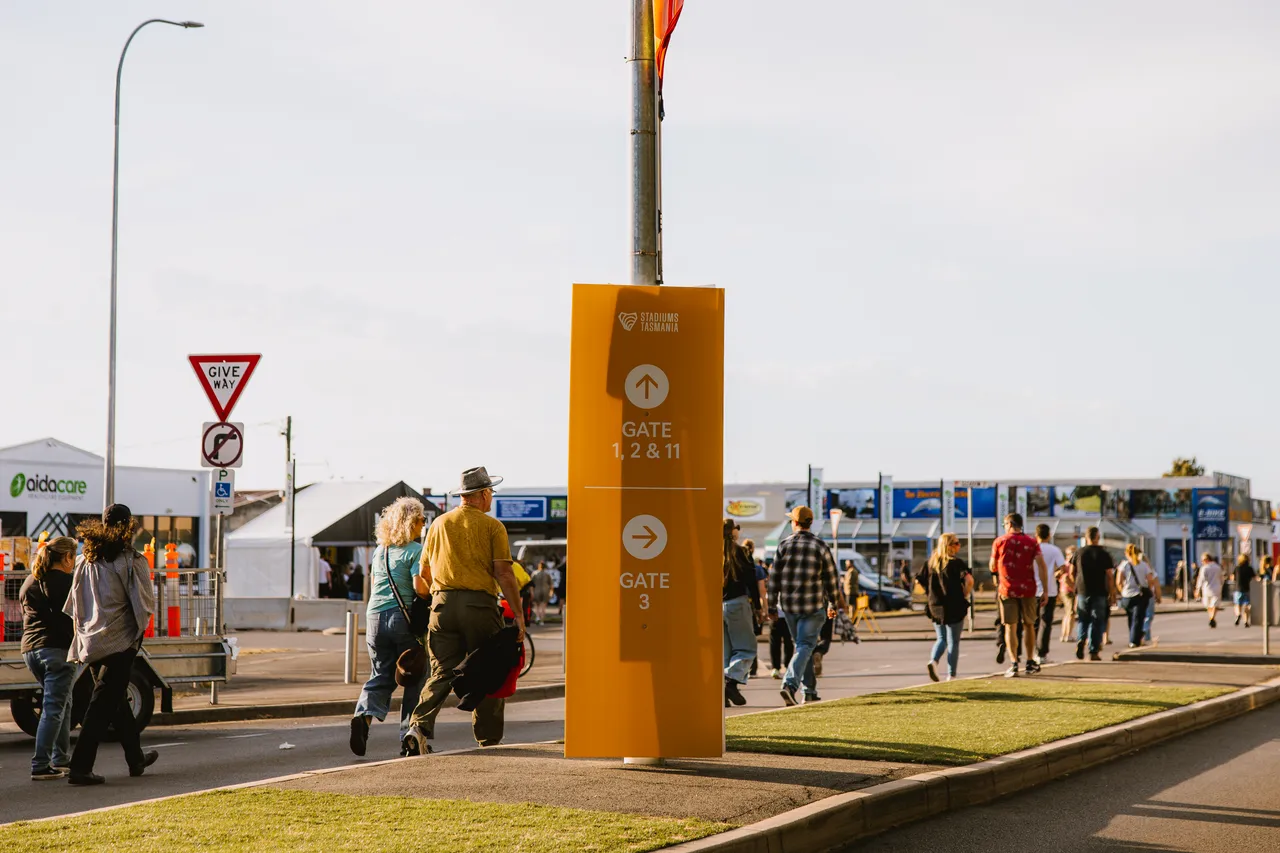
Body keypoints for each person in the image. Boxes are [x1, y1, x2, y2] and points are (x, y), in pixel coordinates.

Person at [403, 468, 525, 756]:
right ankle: (488, 739)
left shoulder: (438, 525)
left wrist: (444, 592)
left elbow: (423, 573)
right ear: (483, 494)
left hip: (441, 606)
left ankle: (418, 726)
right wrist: (518, 615)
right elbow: (504, 574)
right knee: (490, 667)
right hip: (479, 607)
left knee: (442, 671)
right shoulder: (492, 526)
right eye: (491, 493)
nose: (492, 497)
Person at [63, 505, 158, 785]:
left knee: (116, 701)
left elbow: (74, 605)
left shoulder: (85, 560)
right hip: (119, 641)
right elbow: (143, 606)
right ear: (129, 526)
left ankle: (135, 758)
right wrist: (136, 637)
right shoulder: (131, 560)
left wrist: (82, 634)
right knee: (102, 704)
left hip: (92, 641)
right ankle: (80, 767)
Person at [349, 497, 430, 757]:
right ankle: (410, 735)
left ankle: (363, 716)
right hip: (401, 618)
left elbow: (374, 584)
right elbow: (419, 588)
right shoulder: (416, 549)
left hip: (374, 617)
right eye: (420, 519)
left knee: (381, 673)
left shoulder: (380, 550)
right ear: (410, 522)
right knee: (415, 675)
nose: (423, 523)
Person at [20, 536, 79, 780]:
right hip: (57, 650)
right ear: (67, 557)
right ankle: (41, 764)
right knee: (54, 707)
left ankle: (61, 759)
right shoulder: (68, 582)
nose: (74, 563)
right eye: (73, 557)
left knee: (63, 703)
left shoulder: (31, 579)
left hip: (30, 650)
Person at [767, 506, 838, 706]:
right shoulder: (820, 546)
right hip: (813, 605)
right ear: (810, 522)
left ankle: (810, 691)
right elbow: (831, 579)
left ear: (795, 523)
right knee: (805, 646)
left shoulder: (783, 546)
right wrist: (833, 603)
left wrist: (771, 606)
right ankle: (790, 685)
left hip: (789, 607)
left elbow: (774, 579)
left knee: (802, 646)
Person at [989, 513, 1049, 677]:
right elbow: (1041, 565)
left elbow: (992, 566)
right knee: (1029, 624)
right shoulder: (1031, 542)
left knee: (1010, 626)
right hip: (1028, 589)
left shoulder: (1000, 542)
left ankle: (1014, 663)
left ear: (1009, 524)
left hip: (1007, 589)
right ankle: (1030, 661)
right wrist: (1045, 589)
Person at [918, 533, 972, 682]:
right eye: (955, 543)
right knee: (953, 641)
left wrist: (929, 592)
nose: (959, 546)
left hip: (935, 605)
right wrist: (964, 594)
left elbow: (919, 581)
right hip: (954, 605)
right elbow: (969, 581)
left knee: (941, 638)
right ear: (948, 545)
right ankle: (951, 675)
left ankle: (933, 661)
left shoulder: (930, 563)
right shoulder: (956, 563)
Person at [722, 520, 761, 706]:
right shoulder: (741, 553)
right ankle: (731, 680)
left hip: (717, 606)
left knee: (726, 651)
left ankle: (723, 691)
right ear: (733, 532)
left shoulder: (709, 552)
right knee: (747, 648)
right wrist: (758, 608)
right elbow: (751, 581)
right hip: (737, 603)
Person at [1072, 527, 1116, 660]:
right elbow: (1109, 575)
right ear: (1097, 537)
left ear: (1086, 537)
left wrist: (1075, 587)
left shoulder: (1079, 552)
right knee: (1096, 621)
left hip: (1082, 591)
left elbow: (1071, 572)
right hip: (1099, 591)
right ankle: (1093, 650)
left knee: (1083, 619)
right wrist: (1112, 592)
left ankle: (1081, 639)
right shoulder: (1104, 554)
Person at [1033, 525, 1065, 664]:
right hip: (1049, 590)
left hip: (1032, 589)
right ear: (1049, 535)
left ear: (1036, 535)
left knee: (1033, 623)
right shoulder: (1054, 550)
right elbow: (1063, 567)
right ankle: (1042, 653)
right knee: (1046, 622)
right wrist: (1055, 574)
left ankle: (1032, 651)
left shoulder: (1032, 548)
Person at [1116, 544, 1158, 648]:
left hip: (1127, 596)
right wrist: (1147, 587)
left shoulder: (1124, 565)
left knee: (1131, 617)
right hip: (1139, 595)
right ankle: (1134, 640)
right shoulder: (1143, 565)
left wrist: (1122, 591)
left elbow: (1118, 581)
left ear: (1127, 553)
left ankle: (1134, 637)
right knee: (1138, 618)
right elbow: (1150, 579)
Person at [743, 539, 768, 676]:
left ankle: (741, 669)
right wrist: (764, 609)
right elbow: (762, 592)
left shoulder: (738, 566)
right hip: (752, 605)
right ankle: (753, 667)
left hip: (739, 603)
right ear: (753, 550)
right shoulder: (757, 569)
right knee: (752, 638)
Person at [1197, 553, 1224, 628]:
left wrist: (1197, 589)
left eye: (1203, 560)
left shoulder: (1204, 568)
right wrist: (1221, 585)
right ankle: (1212, 617)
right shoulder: (1218, 567)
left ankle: (1211, 617)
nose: (1202, 562)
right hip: (1216, 588)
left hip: (1206, 589)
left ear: (1207, 559)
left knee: (1208, 605)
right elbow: (1221, 578)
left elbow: (1201, 579)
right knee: (1215, 604)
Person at [1059, 545, 1078, 644]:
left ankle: (1064, 634)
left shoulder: (1065, 564)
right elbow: (1066, 578)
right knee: (1071, 613)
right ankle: (1068, 635)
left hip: (1064, 590)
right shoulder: (1069, 564)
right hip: (1068, 591)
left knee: (1067, 613)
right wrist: (1075, 588)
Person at [1232, 554, 1256, 628]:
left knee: (1237, 604)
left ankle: (1238, 614)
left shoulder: (1237, 568)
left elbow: (1233, 578)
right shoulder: (1249, 568)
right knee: (1246, 605)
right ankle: (1246, 621)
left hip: (1238, 589)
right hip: (1247, 589)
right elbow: (1254, 578)